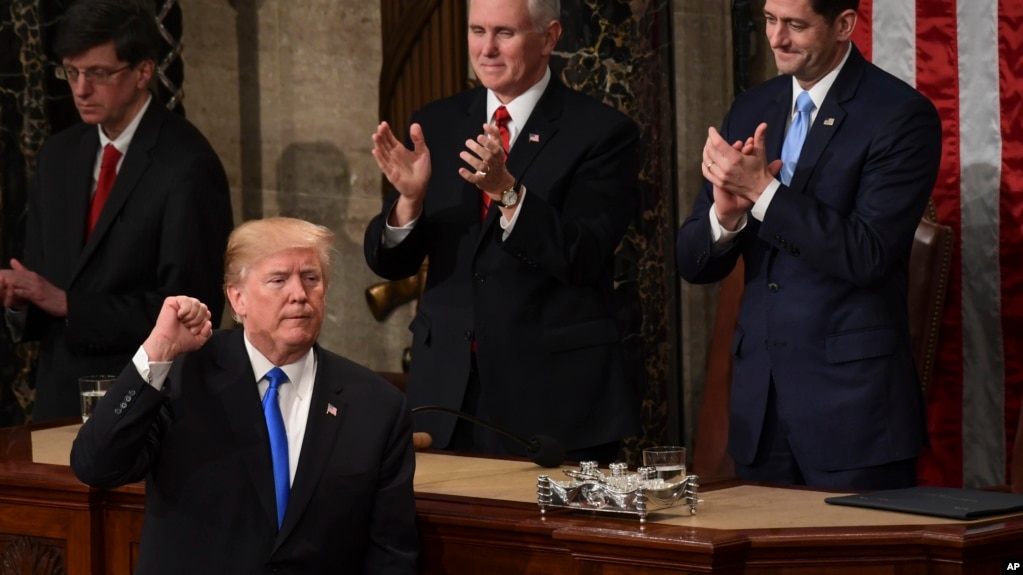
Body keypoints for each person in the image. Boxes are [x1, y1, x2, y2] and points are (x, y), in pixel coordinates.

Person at [676, 0, 941, 490]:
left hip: (852, 415)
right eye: (770, 21)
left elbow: (868, 254)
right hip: (760, 409)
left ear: (844, 25)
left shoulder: (901, 115)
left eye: (795, 25)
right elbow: (693, 262)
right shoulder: (753, 108)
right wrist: (725, 219)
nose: (776, 39)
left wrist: (763, 193)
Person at [364, 0, 640, 464]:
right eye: (477, 31)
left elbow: (584, 254)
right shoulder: (436, 122)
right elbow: (390, 262)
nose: (486, 49)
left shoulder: (602, 132)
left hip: (551, 402)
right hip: (446, 395)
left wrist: (508, 193)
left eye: (504, 34)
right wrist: (409, 202)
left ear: (549, 38)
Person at [70, 217, 419, 574]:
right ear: (237, 298)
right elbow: (96, 465)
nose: (299, 294)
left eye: (311, 279)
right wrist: (158, 349)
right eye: (279, 280)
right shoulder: (183, 374)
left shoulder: (376, 405)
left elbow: (391, 554)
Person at [0, 0, 233, 422]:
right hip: (57, 404)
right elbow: (42, 289)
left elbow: (193, 312)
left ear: (143, 72)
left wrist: (69, 304)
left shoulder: (188, 165)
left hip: (144, 405)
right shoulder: (58, 155)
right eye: (71, 72)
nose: (81, 89)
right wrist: (19, 302)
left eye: (98, 74)